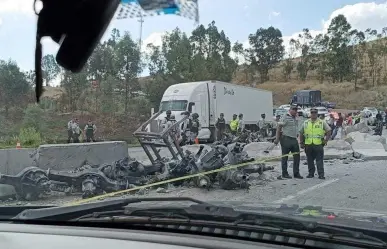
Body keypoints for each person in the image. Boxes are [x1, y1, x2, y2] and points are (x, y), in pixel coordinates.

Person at [299, 108, 332, 179]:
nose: (313, 114)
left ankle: (321, 174)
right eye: (312, 113)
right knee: (309, 160)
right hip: (308, 144)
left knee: (319, 160)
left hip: (318, 144)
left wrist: (326, 140)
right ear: (310, 113)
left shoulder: (321, 122)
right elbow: (301, 133)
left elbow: (329, 130)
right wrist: (301, 143)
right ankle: (311, 173)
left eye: (315, 113)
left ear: (317, 114)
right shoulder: (306, 122)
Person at [274, 105, 303, 180]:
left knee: (297, 157)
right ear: (290, 110)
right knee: (285, 157)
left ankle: (296, 173)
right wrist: (277, 139)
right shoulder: (285, 117)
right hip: (286, 139)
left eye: (296, 110)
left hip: (294, 139)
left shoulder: (296, 117)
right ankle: (284, 173)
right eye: (293, 109)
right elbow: (279, 128)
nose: (295, 111)